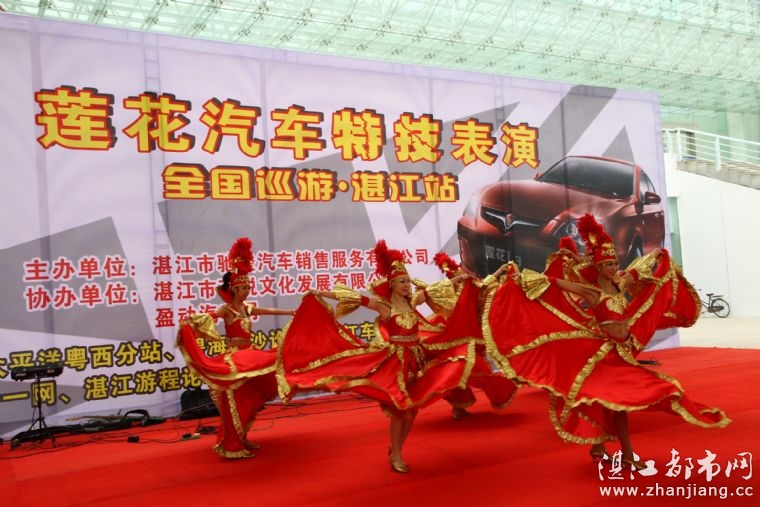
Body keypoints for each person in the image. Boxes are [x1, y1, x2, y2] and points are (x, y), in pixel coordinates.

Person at [483, 214, 730, 470]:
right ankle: (626, 454)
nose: (614, 268)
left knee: (613, 401)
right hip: (603, 357)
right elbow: (554, 282)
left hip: (621, 352)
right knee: (617, 403)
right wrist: (520, 277)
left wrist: (655, 255)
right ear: (599, 267)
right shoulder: (592, 293)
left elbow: (637, 270)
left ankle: (600, 448)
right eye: (609, 264)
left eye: (615, 263)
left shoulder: (619, 284)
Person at [277, 240, 484, 473]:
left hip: (416, 360)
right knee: (399, 410)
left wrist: (461, 279)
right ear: (392, 284)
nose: (407, 285)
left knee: (412, 410)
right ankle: (396, 454)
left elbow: (437, 288)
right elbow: (354, 297)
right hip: (396, 364)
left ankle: (396, 448)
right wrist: (319, 292)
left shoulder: (413, 302)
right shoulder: (385, 308)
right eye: (402, 281)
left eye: (407, 281)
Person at [176, 237, 296, 459]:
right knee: (236, 402)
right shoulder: (226, 310)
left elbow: (266, 311)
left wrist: (290, 312)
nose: (247, 291)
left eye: (248, 287)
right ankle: (231, 444)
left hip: (250, 357)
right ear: (233, 289)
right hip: (235, 361)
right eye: (243, 288)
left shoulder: (247, 308)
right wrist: (190, 322)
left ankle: (243, 437)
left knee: (250, 401)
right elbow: (209, 316)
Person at [429, 252, 517, 420]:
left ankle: (461, 406)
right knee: (456, 372)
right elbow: (434, 291)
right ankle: (458, 407)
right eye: (456, 277)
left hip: (472, 337)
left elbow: (483, 285)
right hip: (455, 340)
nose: (461, 280)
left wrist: (499, 272)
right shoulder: (448, 294)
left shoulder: (469, 289)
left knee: (475, 370)